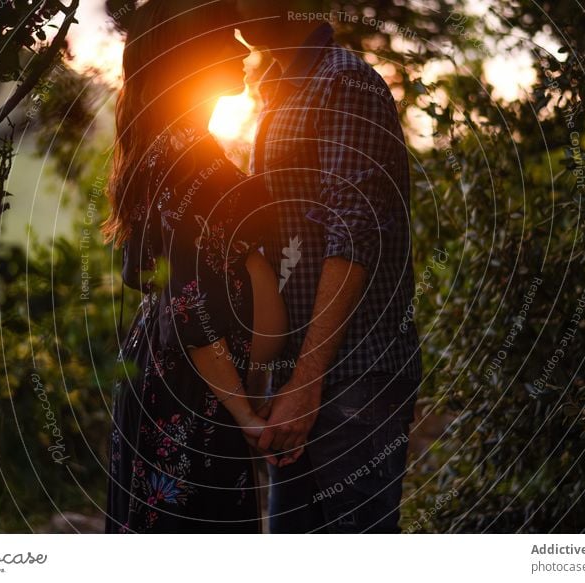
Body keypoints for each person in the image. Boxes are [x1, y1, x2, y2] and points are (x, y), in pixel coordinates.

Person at [101, 0, 289, 533]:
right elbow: (191, 313)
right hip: (192, 395)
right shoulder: (189, 164)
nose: (241, 47)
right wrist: (247, 414)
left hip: (179, 383)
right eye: (225, 35)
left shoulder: (168, 149)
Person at [235, 1, 423, 532]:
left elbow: (355, 232)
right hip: (299, 375)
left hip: (353, 377)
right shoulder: (279, 87)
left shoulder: (344, 83)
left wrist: (305, 382)